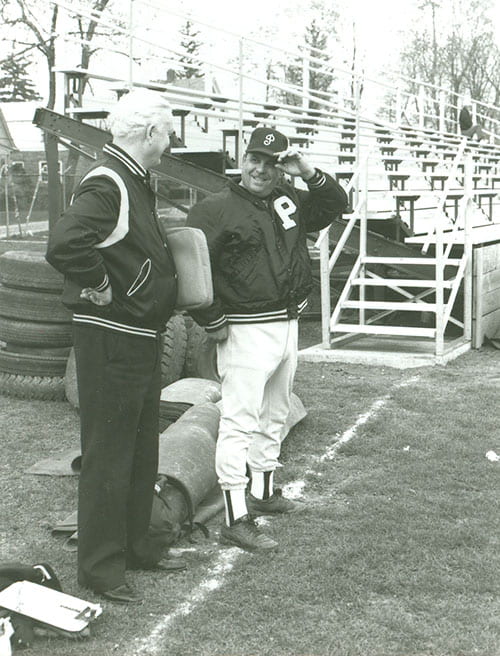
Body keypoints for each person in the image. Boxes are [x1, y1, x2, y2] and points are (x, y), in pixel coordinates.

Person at [46, 89, 182, 604]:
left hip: (138, 336)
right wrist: (98, 283)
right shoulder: (108, 181)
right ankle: (101, 569)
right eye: (167, 132)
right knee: (109, 452)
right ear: (149, 133)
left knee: (142, 444)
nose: (170, 141)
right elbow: (64, 244)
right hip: (112, 338)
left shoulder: (133, 179)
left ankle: (139, 546)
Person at [186, 127, 348, 552]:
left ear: (282, 166)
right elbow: (189, 267)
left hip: (287, 322)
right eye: (255, 159)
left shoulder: (286, 198)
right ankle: (236, 516)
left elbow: (335, 203)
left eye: (272, 162)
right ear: (243, 157)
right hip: (243, 326)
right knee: (239, 421)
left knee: (276, 411)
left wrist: (307, 171)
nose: (261, 169)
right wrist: (211, 316)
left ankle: (263, 492)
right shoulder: (214, 209)